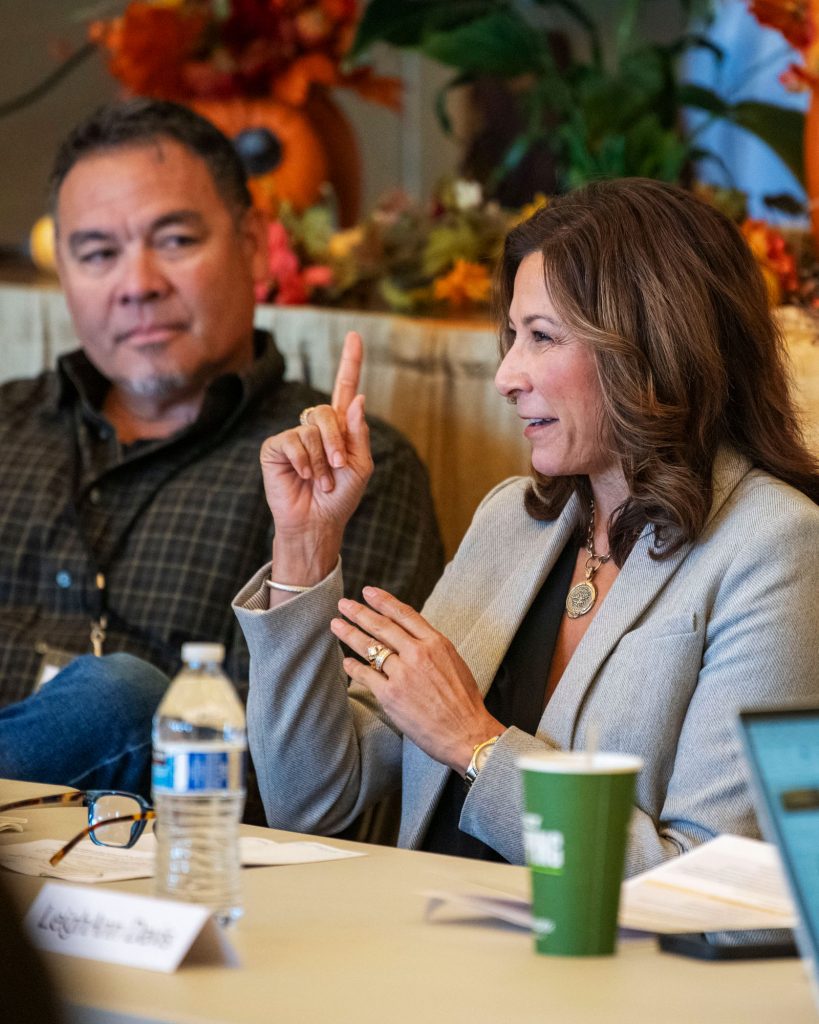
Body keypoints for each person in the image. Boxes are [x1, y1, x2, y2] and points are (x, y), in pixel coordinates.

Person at [233, 178, 819, 873]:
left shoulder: (775, 544)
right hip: (421, 945)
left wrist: (475, 743)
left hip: (598, 973)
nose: (506, 375)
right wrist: (305, 545)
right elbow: (311, 804)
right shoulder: (512, 518)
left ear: (653, 345)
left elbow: (707, 887)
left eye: (540, 337)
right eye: (511, 337)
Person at [0, 99, 443, 799]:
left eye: (174, 241)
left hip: (167, 864)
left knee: (124, 704)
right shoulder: (7, 428)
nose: (137, 284)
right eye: (97, 254)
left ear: (251, 244)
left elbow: (308, 781)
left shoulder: (340, 472)